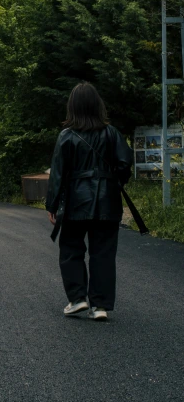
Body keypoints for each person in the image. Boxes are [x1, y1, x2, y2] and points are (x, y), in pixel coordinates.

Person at [46, 82, 133, 321]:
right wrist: (113, 183)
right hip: (107, 201)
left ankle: (77, 299)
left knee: (71, 249)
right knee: (103, 253)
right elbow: (125, 163)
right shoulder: (112, 133)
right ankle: (100, 306)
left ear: (72, 106)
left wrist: (52, 205)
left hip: (76, 202)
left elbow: (58, 174)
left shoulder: (66, 136)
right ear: (98, 105)